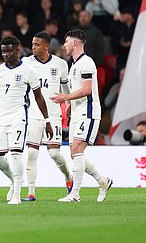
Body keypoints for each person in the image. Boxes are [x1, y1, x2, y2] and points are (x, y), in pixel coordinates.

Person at [0, 36, 53, 205]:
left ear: (17, 50)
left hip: (18, 117)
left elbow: (39, 97)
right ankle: (15, 181)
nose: (6, 54)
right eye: (3, 51)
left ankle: (16, 195)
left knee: (16, 154)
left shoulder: (28, 71)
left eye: (9, 51)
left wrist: (47, 121)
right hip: (1, 118)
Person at [50, 29, 112, 203]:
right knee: (75, 152)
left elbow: (86, 90)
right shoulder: (74, 65)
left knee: (77, 150)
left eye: (67, 42)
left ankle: (75, 194)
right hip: (77, 113)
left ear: (75, 43)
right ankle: (103, 181)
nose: (64, 46)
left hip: (89, 112)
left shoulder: (87, 63)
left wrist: (65, 98)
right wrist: (70, 106)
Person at [22, 32, 73, 201]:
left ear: (46, 46)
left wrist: (69, 104)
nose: (33, 47)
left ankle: (68, 177)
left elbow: (66, 89)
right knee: (31, 154)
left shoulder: (60, 64)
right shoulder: (26, 63)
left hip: (53, 115)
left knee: (54, 154)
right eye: (33, 44)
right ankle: (31, 192)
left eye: (37, 44)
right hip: (33, 115)